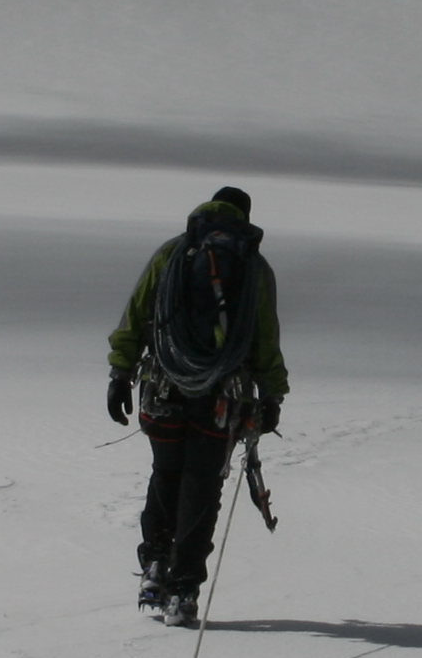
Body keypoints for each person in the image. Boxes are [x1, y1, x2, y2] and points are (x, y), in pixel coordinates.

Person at [106, 187, 288, 627]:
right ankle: (184, 588)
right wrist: (272, 395)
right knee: (201, 485)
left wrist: (119, 374)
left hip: (164, 388)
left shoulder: (173, 253)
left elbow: (136, 313)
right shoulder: (253, 266)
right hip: (222, 397)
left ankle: (154, 566)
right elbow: (263, 337)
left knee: (166, 473)